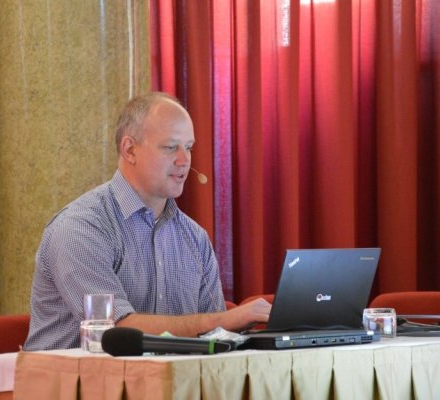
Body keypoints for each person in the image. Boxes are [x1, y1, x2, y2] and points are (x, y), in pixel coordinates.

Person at [24, 92, 271, 350]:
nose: (184, 160)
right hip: (74, 375)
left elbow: (216, 338)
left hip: (168, 374)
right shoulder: (80, 228)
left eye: (188, 147)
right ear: (130, 150)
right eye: (170, 147)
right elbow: (115, 332)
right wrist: (224, 320)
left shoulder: (194, 237)